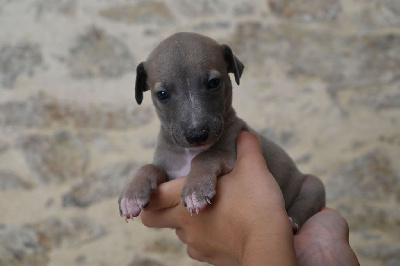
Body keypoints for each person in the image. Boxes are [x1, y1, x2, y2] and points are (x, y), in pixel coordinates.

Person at [140, 132, 359, 265]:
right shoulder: (166, 150)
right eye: (164, 94)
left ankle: (295, 219)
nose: (195, 122)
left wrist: (257, 237)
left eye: (213, 84)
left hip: (293, 203)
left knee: (312, 187)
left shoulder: (235, 136)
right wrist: (324, 257)